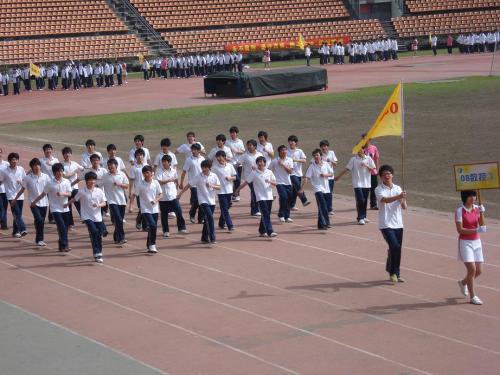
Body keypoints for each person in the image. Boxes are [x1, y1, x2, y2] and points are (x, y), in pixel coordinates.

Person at [375, 165, 407, 284]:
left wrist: (402, 199)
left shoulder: (398, 188)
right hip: (386, 224)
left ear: (392, 175)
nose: (387, 176)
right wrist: (398, 196)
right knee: (395, 247)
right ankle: (392, 272)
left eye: (389, 173)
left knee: (397, 249)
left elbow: (404, 207)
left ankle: (396, 273)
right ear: (381, 177)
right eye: (384, 174)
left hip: (398, 223)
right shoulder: (378, 189)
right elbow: (384, 200)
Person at [31, 163, 72, 252]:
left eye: (61, 171)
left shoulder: (67, 181)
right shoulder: (50, 183)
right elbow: (43, 194)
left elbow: (70, 193)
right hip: (55, 209)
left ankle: (61, 245)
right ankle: (65, 244)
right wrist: (34, 201)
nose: (59, 173)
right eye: (57, 171)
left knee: (65, 228)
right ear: (54, 173)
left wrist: (62, 194)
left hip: (65, 208)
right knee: (61, 227)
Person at [455, 190, 487, 305]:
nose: (473, 198)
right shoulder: (459, 211)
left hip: (477, 242)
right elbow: (460, 230)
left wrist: (482, 214)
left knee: (479, 271)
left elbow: (482, 225)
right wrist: (476, 230)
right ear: (465, 197)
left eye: (474, 195)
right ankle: (473, 296)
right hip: (465, 243)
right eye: (470, 196)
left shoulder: (477, 209)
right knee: (472, 270)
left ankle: (463, 283)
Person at [178, 160, 220, 244]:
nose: (203, 169)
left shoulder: (214, 176)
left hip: (211, 200)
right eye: (202, 167)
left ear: (209, 168)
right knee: (210, 218)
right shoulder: (198, 176)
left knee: (208, 219)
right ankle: (212, 238)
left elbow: (219, 187)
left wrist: (212, 186)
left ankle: (204, 238)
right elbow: (189, 185)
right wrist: (180, 194)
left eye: (205, 167)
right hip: (203, 201)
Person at [69, 172, 107, 263]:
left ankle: (98, 253)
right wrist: (66, 204)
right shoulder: (82, 191)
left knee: (98, 235)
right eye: (90, 180)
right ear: (86, 181)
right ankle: (97, 253)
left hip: (97, 217)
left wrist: (98, 205)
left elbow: (104, 203)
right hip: (86, 216)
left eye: (93, 180)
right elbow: (75, 199)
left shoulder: (99, 191)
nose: (92, 181)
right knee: (94, 232)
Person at [236, 156, 277, 238]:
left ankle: (262, 231)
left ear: (265, 163)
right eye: (258, 162)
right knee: (265, 214)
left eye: (262, 161)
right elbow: (246, 182)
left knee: (266, 214)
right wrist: (237, 190)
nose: (260, 163)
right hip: (260, 197)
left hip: (269, 196)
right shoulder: (254, 173)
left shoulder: (269, 172)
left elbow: (275, 183)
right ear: (257, 163)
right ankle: (270, 231)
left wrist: (270, 182)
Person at [335, 146, 376, 225]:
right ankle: (360, 218)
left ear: (364, 150)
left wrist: (366, 166)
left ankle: (363, 216)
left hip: (366, 183)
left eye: (360, 149)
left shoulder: (368, 159)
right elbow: (347, 169)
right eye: (357, 150)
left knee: (364, 201)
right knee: (360, 200)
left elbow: (373, 169)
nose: (359, 151)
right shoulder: (353, 159)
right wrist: (338, 177)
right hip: (357, 183)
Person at [15, 158, 50, 246]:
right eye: (34, 165)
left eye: (38, 165)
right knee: (39, 220)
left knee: (40, 221)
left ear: (40, 166)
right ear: (31, 167)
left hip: (44, 203)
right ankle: (40, 240)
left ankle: (38, 237)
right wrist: (15, 199)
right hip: (33, 203)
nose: (36, 167)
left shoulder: (45, 176)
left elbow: (50, 188)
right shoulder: (27, 178)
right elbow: (22, 190)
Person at [132, 165, 162, 253]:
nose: (146, 174)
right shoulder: (140, 184)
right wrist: (131, 205)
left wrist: (156, 200)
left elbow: (161, 194)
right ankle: (152, 244)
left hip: (155, 209)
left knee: (154, 227)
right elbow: (134, 194)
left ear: (151, 173)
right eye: (144, 173)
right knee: (152, 225)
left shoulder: (155, 183)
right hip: (145, 209)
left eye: (147, 173)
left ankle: (149, 244)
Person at [156, 154, 188, 237]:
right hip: (163, 197)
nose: (163, 163)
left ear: (169, 163)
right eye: (162, 162)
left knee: (179, 212)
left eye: (165, 162)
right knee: (164, 215)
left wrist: (176, 189)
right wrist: (168, 180)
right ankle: (165, 231)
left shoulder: (174, 171)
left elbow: (176, 180)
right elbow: (159, 182)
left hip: (173, 196)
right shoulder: (159, 171)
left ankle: (182, 228)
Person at [301, 149, 333, 230]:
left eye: (317, 155)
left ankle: (320, 225)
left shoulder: (326, 164)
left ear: (321, 156)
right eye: (314, 155)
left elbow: (331, 173)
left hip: (326, 189)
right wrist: (302, 188)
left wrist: (325, 175)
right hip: (317, 189)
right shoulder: (312, 166)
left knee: (322, 207)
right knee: (323, 205)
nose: (316, 157)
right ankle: (327, 222)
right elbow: (306, 178)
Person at [0, 153, 27, 238]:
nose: (14, 161)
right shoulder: (4, 171)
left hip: (20, 195)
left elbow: (25, 181)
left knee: (18, 213)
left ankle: (16, 231)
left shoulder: (21, 169)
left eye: (16, 159)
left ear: (18, 160)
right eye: (12, 160)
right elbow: (0, 181)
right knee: (16, 212)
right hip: (11, 195)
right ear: (9, 161)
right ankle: (22, 229)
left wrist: (21, 182)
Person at [102, 159, 129, 245]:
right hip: (111, 201)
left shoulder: (122, 174)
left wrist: (119, 184)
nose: (110, 167)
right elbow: (98, 184)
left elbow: (127, 186)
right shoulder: (105, 176)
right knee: (118, 219)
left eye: (112, 165)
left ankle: (116, 236)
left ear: (116, 166)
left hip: (121, 200)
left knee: (119, 220)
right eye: (109, 166)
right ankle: (121, 238)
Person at [211, 151, 236, 231]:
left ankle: (221, 223)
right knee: (224, 208)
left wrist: (230, 178)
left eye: (220, 156)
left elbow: (235, 177)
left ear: (224, 157)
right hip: (220, 191)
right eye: (217, 157)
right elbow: (211, 177)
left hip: (229, 190)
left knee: (227, 207)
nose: (218, 158)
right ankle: (230, 225)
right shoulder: (215, 167)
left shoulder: (230, 166)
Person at [180, 143, 205, 224]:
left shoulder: (202, 159)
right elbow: (184, 171)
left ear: (198, 150)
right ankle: (192, 213)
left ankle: (200, 218)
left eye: (195, 150)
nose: (193, 151)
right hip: (193, 184)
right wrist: (181, 182)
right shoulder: (189, 160)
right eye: (192, 149)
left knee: (202, 201)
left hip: (202, 183)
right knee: (197, 201)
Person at [238, 139, 263, 216]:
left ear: (255, 146)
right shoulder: (245, 155)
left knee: (256, 192)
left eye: (250, 145)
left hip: (258, 176)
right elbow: (238, 162)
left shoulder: (259, 154)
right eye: (248, 145)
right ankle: (255, 210)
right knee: (254, 191)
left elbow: (262, 164)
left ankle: (254, 210)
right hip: (249, 177)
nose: (248, 147)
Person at [269, 145, 294, 223]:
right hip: (279, 182)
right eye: (282, 150)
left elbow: (290, 171)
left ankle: (287, 216)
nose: (284, 152)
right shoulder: (274, 161)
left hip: (288, 182)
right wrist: (271, 180)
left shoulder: (290, 160)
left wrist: (283, 164)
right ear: (279, 152)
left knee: (289, 198)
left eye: (285, 150)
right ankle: (281, 215)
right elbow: (269, 170)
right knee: (283, 197)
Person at [61, 147, 84, 229]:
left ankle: (84, 217)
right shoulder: (62, 165)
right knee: (68, 206)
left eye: (68, 153)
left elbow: (83, 170)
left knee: (79, 202)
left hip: (75, 188)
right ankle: (70, 224)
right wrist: (75, 171)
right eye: (65, 153)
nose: (67, 154)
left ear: (71, 154)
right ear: (63, 155)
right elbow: (65, 176)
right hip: (66, 189)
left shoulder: (75, 163)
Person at [287, 135, 310, 210]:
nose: (291, 143)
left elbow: (304, 160)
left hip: (298, 173)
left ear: (296, 143)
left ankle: (291, 205)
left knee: (295, 190)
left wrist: (296, 160)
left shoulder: (299, 151)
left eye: (292, 141)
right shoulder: (286, 151)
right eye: (290, 141)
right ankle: (304, 200)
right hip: (290, 173)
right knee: (298, 186)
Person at [128, 148, 148, 230]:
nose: (139, 157)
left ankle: (142, 223)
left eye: (141, 155)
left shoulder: (147, 166)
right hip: (138, 191)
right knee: (142, 208)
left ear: (143, 156)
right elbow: (132, 180)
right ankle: (141, 222)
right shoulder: (134, 168)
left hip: (148, 190)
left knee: (146, 208)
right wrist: (130, 191)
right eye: (137, 155)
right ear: (135, 157)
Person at [225, 126, 245, 201]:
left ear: (236, 133)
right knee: (231, 179)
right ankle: (231, 194)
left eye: (234, 133)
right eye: (231, 133)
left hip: (238, 163)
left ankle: (236, 194)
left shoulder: (240, 141)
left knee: (238, 180)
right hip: (230, 163)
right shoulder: (227, 142)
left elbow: (243, 151)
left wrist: (236, 151)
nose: (232, 134)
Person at [319, 140, 338, 215]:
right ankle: (324, 207)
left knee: (329, 193)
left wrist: (331, 161)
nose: (324, 147)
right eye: (322, 146)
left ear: (328, 146)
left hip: (330, 177)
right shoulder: (319, 154)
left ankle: (329, 209)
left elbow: (335, 164)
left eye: (325, 146)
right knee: (323, 193)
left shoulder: (331, 153)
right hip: (322, 177)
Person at [362, 136, 380, 210]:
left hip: (373, 172)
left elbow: (376, 159)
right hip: (364, 172)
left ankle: (373, 204)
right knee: (365, 189)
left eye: (366, 139)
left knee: (374, 188)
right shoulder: (361, 148)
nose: (364, 140)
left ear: (369, 139)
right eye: (363, 139)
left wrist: (377, 169)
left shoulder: (374, 148)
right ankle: (362, 204)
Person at [0, 148, 10, 229]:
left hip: (6, 189)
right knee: (1, 207)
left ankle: (4, 224)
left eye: (0, 152)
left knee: (5, 207)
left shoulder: (6, 164)